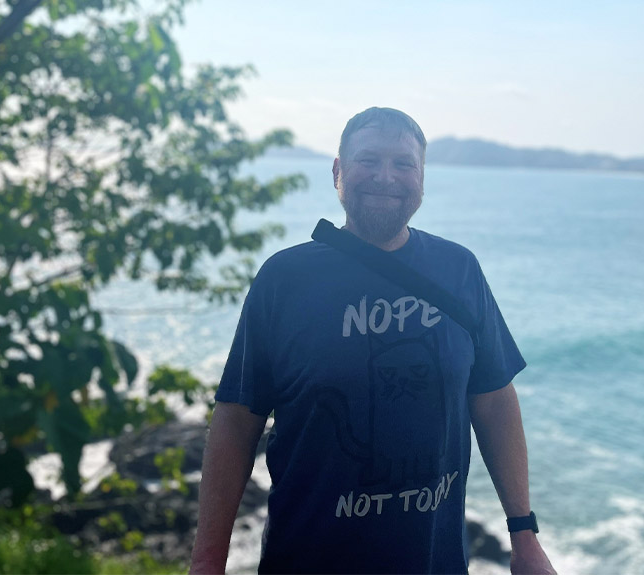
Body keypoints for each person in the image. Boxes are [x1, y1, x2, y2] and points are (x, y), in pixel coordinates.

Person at [189, 107, 557, 575]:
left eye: (404, 164)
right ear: (338, 172)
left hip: (434, 561)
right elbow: (237, 420)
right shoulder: (286, 278)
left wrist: (524, 536)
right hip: (307, 559)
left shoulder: (458, 270)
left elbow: (494, 399)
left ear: (422, 179)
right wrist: (207, 561)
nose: (386, 177)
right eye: (368, 160)